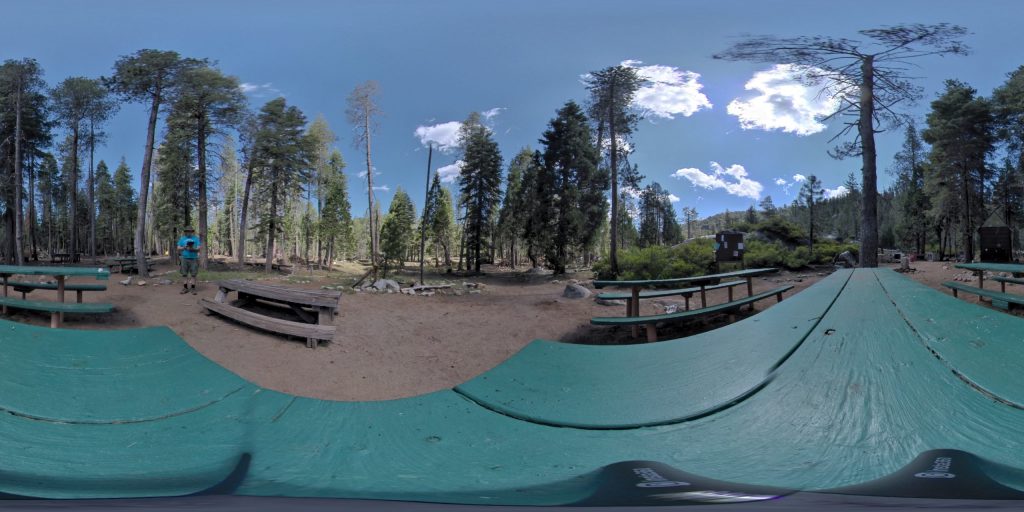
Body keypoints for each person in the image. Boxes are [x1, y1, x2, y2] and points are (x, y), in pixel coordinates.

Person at [177, 226, 201, 295]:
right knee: (184, 274)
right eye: (187, 231)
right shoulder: (182, 239)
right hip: (184, 258)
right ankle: (185, 288)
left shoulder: (196, 239)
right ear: (185, 232)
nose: (188, 232)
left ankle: (193, 288)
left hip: (194, 259)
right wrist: (184, 247)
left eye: (190, 231)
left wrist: (192, 249)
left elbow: (199, 248)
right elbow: (178, 248)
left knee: (193, 274)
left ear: (192, 232)